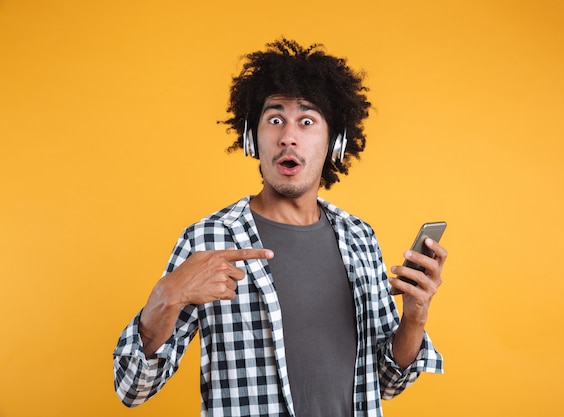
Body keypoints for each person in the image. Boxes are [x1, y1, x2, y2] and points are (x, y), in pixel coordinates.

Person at [113, 38, 446, 417]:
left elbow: (389, 381)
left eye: (307, 121)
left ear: (334, 142)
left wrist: (416, 315)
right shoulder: (209, 239)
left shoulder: (360, 238)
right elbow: (132, 387)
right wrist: (165, 297)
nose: (289, 135)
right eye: (275, 119)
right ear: (251, 136)